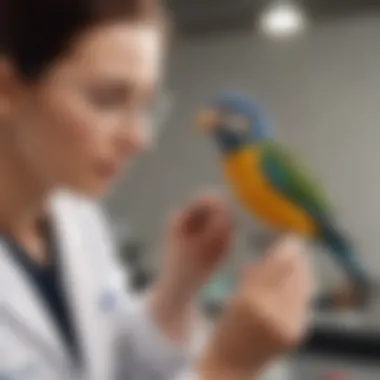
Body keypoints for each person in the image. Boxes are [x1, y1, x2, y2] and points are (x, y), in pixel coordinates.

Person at [0, 0, 314, 379]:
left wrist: (176, 291)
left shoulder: (78, 219)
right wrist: (227, 368)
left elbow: (111, 367)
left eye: (147, 105)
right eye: (107, 99)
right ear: (7, 90)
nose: (140, 139)